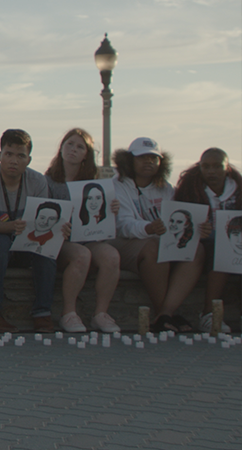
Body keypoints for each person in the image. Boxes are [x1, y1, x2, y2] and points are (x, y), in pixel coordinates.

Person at [0, 129, 78, 333]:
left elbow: (45, 221)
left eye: (21, 156)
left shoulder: (38, 181)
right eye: (9, 154)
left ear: (29, 160)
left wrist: (60, 229)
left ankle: (42, 313)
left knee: (46, 248)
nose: (14, 160)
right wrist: (11, 226)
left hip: (26, 240)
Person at [109, 137, 202, 333]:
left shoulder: (167, 188)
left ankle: (165, 314)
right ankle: (167, 314)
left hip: (158, 241)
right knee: (153, 248)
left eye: (154, 158)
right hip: (125, 242)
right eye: (142, 157)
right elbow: (123, 225)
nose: (149, 162)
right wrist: (149, 228)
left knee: (197, 249)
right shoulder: (116, 185)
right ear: (129, 160)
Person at [42, 127, 121, 333]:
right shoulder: (47, 181)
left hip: (88, 238)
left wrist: (112, 209)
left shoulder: (97, 184)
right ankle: (69, 313)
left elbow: (102, 219)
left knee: (111, 256)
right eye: (69, 144)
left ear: (87, 154)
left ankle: (100, 314)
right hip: (60, 242)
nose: (73, 150)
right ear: (61, 149)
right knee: (81, 255)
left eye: (80, 147)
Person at [172, 147, 241, 332]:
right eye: (206, 166)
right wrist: (198, 230)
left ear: (227, 167)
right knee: (220, 254)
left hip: (235, 244)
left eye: (217, 166)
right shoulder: (190, 190)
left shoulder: (239, 190)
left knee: (227, 250)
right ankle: (209, 314)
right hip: (203, 244)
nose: (211, 171)